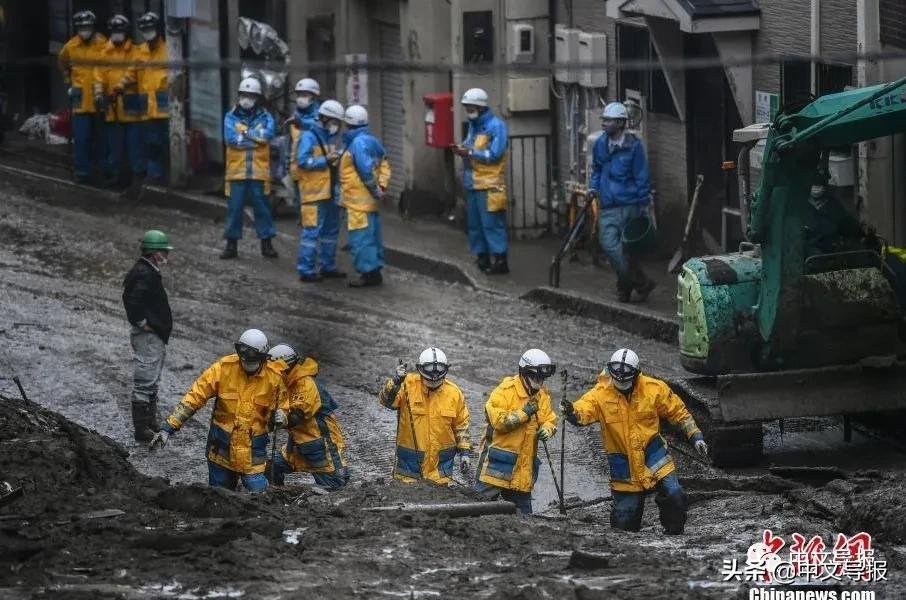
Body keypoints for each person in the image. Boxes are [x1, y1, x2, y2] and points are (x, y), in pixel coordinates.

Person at [560, 348, 708, 534]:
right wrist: (572, 411)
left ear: (636, 375)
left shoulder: (654, 389)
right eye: (617, 380)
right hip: (624, 464)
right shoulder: (600, 394)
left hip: (654, 455)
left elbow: (679, 413)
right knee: (624, 527)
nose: (621, 384)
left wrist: (696, 437)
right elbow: (583, 409)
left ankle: (674, 533)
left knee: (675, 496)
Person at [149, 329, 288, 492]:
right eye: (244, 362)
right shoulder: (223, 369)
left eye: (252, 364)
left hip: (252, 457)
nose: (247, 366)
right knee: (219, 498)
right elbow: (194, 397)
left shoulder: (274, 379)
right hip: (221, 453)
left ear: (263, 358)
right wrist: (168, 428)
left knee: (260, 497)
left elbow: (284, 407)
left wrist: (283, 416)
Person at [474, 349, 557, 514]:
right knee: (478, 512)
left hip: (522, 471)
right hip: (495, 468)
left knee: (525, 517)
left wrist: (548, 429)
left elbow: (549, 419)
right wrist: (524, 413)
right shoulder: (504, 391)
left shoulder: (543, 396)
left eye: (542, 378)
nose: (539, 381)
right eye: (535, 377)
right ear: (524, 373)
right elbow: (499, 422)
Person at [589, 102, 656, 303]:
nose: (604, 124)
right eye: (604, 120)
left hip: (630, 205)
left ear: (620, 123)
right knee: (609, 245)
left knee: (628, 251)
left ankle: (624, 289)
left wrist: (644, 205)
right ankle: (641, 282)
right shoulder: (600, 144)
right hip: (608, 205)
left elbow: (641, 176)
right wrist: (593, 187)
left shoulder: (634, 147)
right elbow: (597, 170)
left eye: (608, 120)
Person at [378, 348, 471, 484]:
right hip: (409, 466)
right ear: (420, 371)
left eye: (437, 381)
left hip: (440, 467)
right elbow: (386, 401)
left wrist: (465, 454)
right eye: (429, 381)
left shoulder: (454, 393)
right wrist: (396, 382)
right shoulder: (406, 385)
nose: (433, 383)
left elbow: (461, 425)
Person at [266, 344, 349, 489]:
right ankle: (276, 497)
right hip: (297, 446)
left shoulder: (306, 384)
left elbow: (297, 416)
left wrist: (283, 419)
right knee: (270, 469)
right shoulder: (284, 384)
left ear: (287, 367)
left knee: (336, 486)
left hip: (321, 446)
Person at [122, 230, 173, 442]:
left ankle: (149, 420)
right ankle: (141, 427)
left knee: (152, 378)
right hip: (148, 337)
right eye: (164, 251)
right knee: (145, 379)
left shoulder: (145, 270)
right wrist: (142, 323)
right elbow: (132, 301)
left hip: (154, 336)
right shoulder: (145, 273)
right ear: (154, 253)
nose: (167, 256)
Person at [453, 88, 509, 275]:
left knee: (492, 224)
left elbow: (494, 154)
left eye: (470, 107)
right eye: (466, 107)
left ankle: (500, 260)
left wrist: (469, 152)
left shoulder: (497, 126)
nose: (468, 110)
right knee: (475, 225)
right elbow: (470, 145)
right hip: (473, 182)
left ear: (481, 107)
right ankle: (482, 257)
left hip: (490, 185)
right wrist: (463, 148)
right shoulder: (473, 125)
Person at [221, 77, 278, 260]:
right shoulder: (230, 117)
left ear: (257, 98)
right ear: (239, 96)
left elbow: (267, 136)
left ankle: (267, 243)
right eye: (243, 96)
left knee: (262, 209)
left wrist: (244, 134)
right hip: (236, 172)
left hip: (259, 172)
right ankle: (231, 245)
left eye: (250, 96)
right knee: (234, 209)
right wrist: (255, 139)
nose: (246, 99)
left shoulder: (266, 117)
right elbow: (231, 140)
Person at [339, 105, 391, 288]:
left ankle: (367, 273)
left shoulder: (356, 144)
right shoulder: (371, 141)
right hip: (370, 203)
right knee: (372, 238)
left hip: (358, 203)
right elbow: (384, 163)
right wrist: (382, 186)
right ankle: (374, 271)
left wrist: (374, 189)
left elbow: (365, 170)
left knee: (361, 240)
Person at [295, 99, 346, 282]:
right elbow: (302, 161)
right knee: (311, 232)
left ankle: (327, 265)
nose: (336, 126)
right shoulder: (308, 136)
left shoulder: (329, 137)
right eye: (334, 121)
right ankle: (306, 270)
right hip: (314, 192)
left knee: (331, 231)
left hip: (330, 191)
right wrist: (326, 160)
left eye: (338, 122)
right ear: (323, 118)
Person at [93, 14, 145, 187]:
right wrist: (99, 94)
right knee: (114, 144)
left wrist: (120, 86)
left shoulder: (135, 51)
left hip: (129, 103)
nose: (117, 34)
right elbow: (98, 75)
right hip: (111, 105)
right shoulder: (104, 53)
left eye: (120, 31)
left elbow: (133, 71)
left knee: (134, 144)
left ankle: (137, 176)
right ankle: (116, 176)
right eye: (114, 31)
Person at [57, 10, 106, 184]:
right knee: (81, 137)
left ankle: (101, 171)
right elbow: (62, 61)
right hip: (79, 97)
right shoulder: (71, 46)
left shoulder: (102, 43)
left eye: (88, 26)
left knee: (101, 138)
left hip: (98, 96)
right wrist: (68, 80)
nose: (85, 30)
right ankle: (82, 171)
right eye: (82, 27)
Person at [135, 12, 169, 184]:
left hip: (165, 107)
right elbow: (131, 74)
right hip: (147, 106)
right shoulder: (140, 52)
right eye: (145, 29)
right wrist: (118, 87)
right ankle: (155, 174)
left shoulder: (169, 50)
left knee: (164, 142)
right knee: (151, 142)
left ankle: (164, 174)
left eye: (151, 29)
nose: (148, 32)